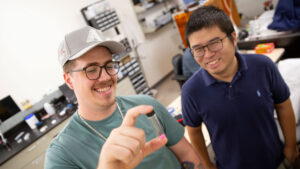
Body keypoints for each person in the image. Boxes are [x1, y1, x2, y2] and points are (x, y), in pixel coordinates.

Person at [45, 26, 201, 169]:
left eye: (108, 65)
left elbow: (186, 153)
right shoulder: (61, 154)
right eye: (91, 70)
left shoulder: (146, 107)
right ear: (69, 81)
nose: (105, 77)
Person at [181, 6, 299, 169]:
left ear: (233, 38)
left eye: (214, 43)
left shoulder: (263, 66)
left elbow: (283, 105)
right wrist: (207, 165)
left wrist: (291, 146)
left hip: (275, 161)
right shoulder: (191, 91)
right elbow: (194, 132)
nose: (207, 55)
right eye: (198, 49)